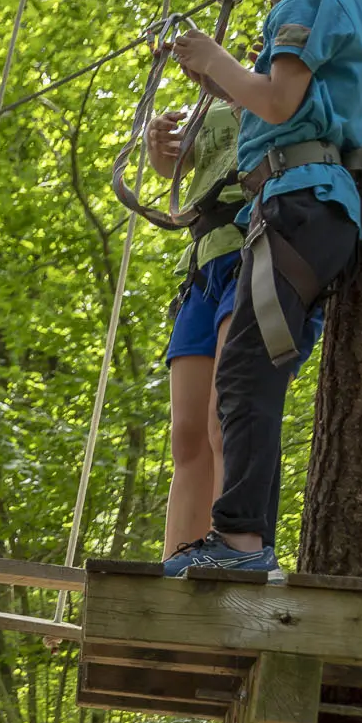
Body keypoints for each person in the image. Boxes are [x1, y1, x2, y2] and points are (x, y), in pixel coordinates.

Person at [165, 0, 362, 577]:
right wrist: (218, 78)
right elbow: (280, 103)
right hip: (300, 201)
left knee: (243, 377)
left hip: (300, 198)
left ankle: (241, 544)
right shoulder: (335, 0)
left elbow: (279, 103)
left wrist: (215, 58)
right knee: (246, 374)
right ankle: (240, 541)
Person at [147, 101, 249, 559]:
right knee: (187, 433)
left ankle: (230, 550)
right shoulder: (210, 106)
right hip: (203, 265)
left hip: (251, 247)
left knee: (224, 419)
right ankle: (178, 560)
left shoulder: (277, 80)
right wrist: (159, 144)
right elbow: (173, 166)